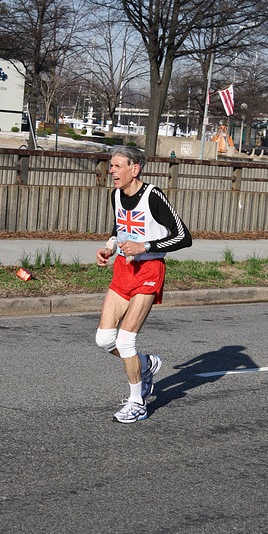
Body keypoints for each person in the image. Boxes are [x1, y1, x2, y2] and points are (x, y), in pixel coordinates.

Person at [95, 145, 192, 422]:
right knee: (104, 340)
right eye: (110, 165)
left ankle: (137, 403)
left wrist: (145, 246)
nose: (111, 170)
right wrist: (109, 247)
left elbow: (184, 237)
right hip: (123, 270)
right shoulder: (116, 195)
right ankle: (146, 364)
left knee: (126, 340)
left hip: (149, 269)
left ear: (134, 169)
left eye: (116, 166)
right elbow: (119, 228)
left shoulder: (153, 195)